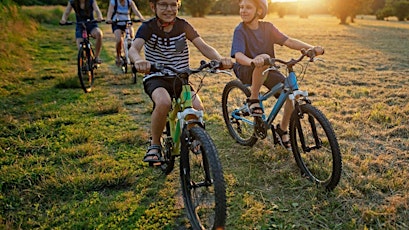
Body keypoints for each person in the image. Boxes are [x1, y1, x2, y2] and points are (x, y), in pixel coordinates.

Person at [129, 0, 233, 166]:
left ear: (178, 6)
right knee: (163, 102)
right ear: (153, 7)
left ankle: (195, 138)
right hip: (157, 77)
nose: (169, 9)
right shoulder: (148, 27)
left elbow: (203, 46)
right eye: (163, 4)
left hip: (181, 79)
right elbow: (134, 49)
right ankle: (155, 144)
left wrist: (220, 60)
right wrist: (139, 61)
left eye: (173, 4)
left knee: (197, 108)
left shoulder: (183, 26)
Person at [231, 0, 324, 150]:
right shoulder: (240, 30)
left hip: (267, 69)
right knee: (265, 58)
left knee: (292, 95)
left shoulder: (268, 28)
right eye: (241, 7)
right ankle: (253, 99)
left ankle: (281, 129)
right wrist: (253, 61)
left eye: (248, 7)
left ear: (259, 11)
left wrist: (310, 48)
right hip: (246, 69)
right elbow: (239, 55)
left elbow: (289, 41)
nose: (243, 10)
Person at [106, 0, 145, 66]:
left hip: (127, 22)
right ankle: (118, 57)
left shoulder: (129, 2)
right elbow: (110, 12)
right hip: (117, 23)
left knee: (132, 38)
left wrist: (141, 18)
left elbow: (135, 10)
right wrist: (109, 19)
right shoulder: (113, 2)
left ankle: (132, 53)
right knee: (118, 40)